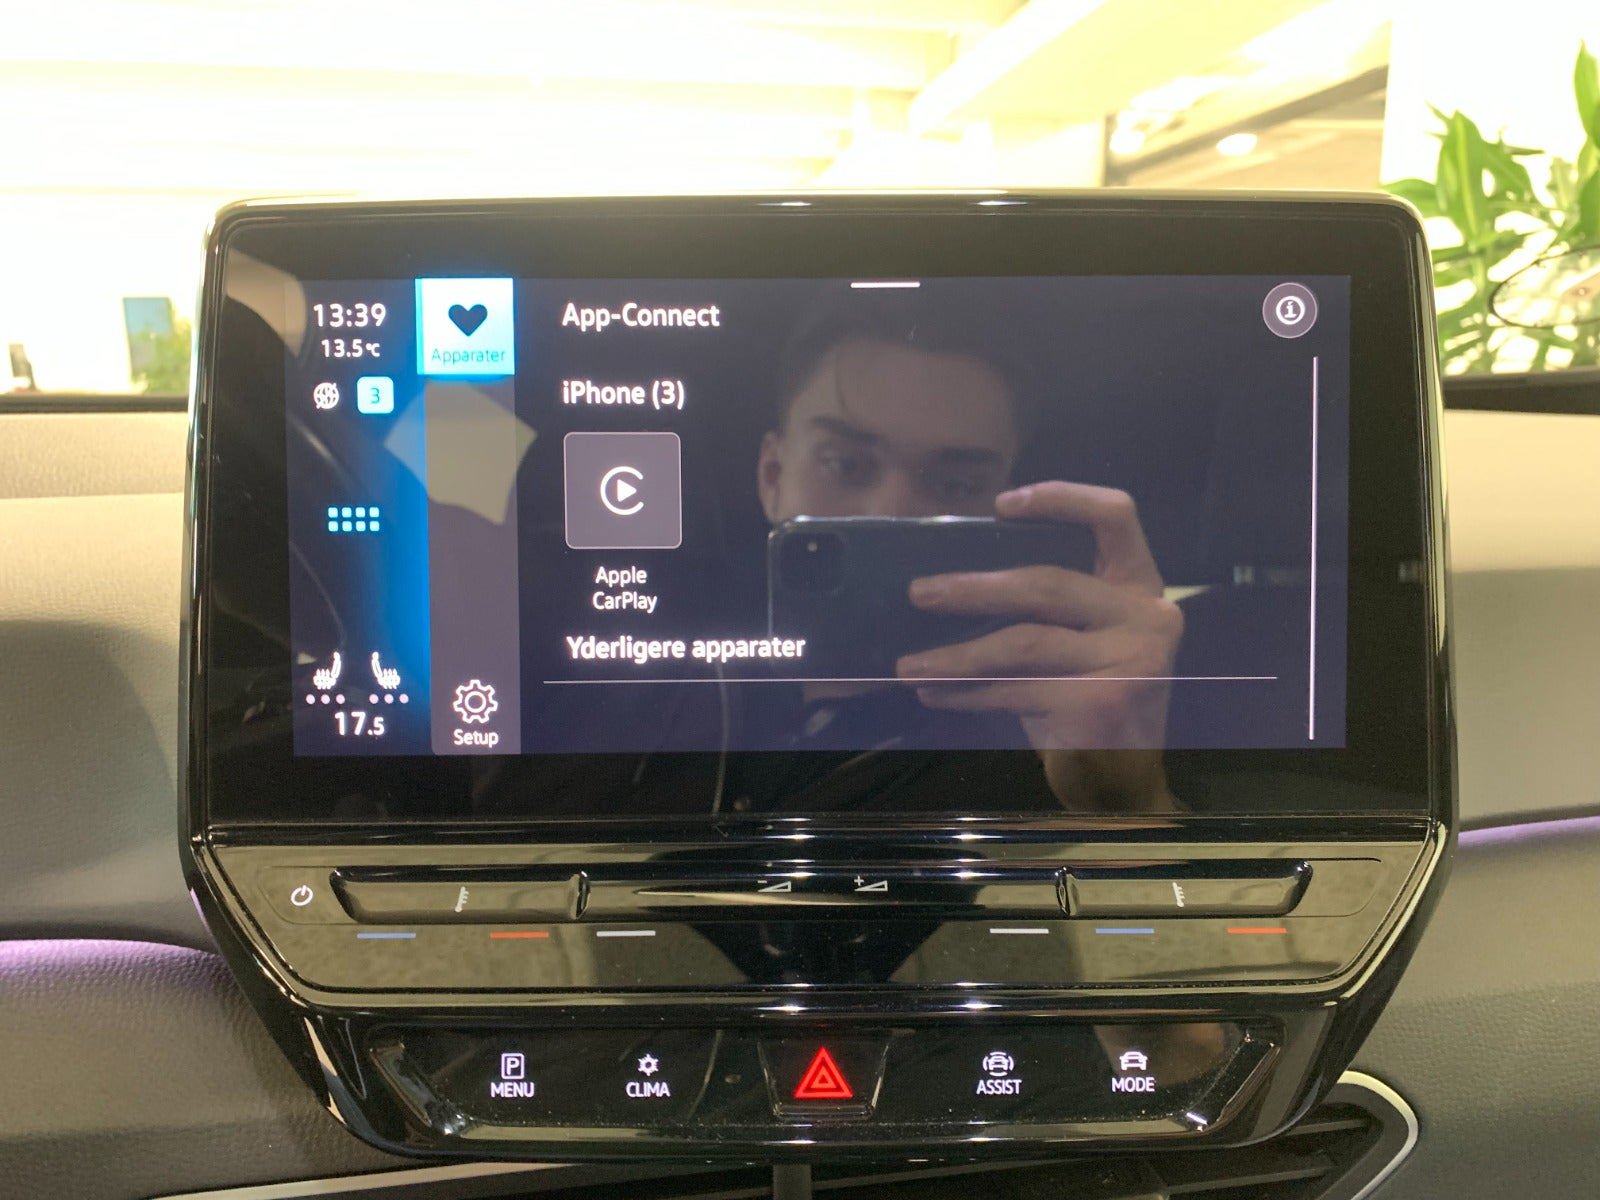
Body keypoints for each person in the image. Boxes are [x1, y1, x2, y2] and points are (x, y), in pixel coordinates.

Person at [729, 297, 1186, 814]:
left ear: (1001, 510)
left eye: (956, 484)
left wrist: (1127, 800)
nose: (891, 514)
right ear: (772, 477)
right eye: (845, 464)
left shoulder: (1059, 713)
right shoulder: (669, 671)